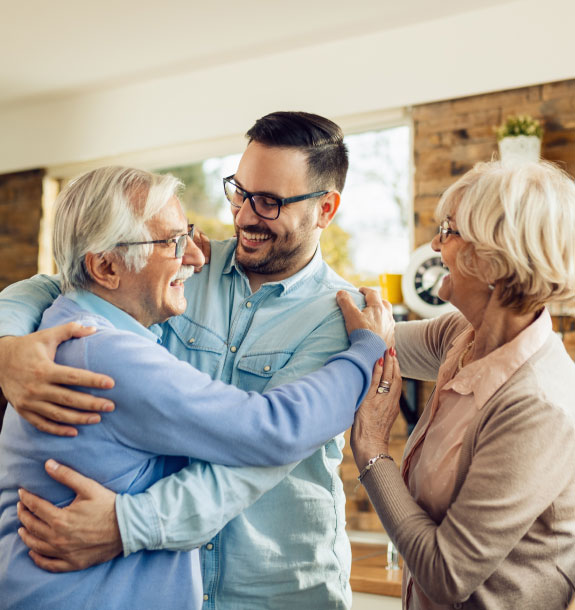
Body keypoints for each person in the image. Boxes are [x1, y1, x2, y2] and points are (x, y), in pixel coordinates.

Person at [0, 112, 380, 608]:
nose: (244, 215)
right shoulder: (179, 271)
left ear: (325, 209)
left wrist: (128, 524)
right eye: (239, 192)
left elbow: (266, 443)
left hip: (276, 590)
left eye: (268, 202)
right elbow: (69, 277)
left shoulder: (343, 318)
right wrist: (6, 343)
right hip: (157, 584)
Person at [350, 160, 575, 609]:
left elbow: (446, 574)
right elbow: (373, 337)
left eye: (448, 231)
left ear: (491, 259)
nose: (434, 244)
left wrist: (373, 451)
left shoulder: (537, 405)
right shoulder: (463, 336)